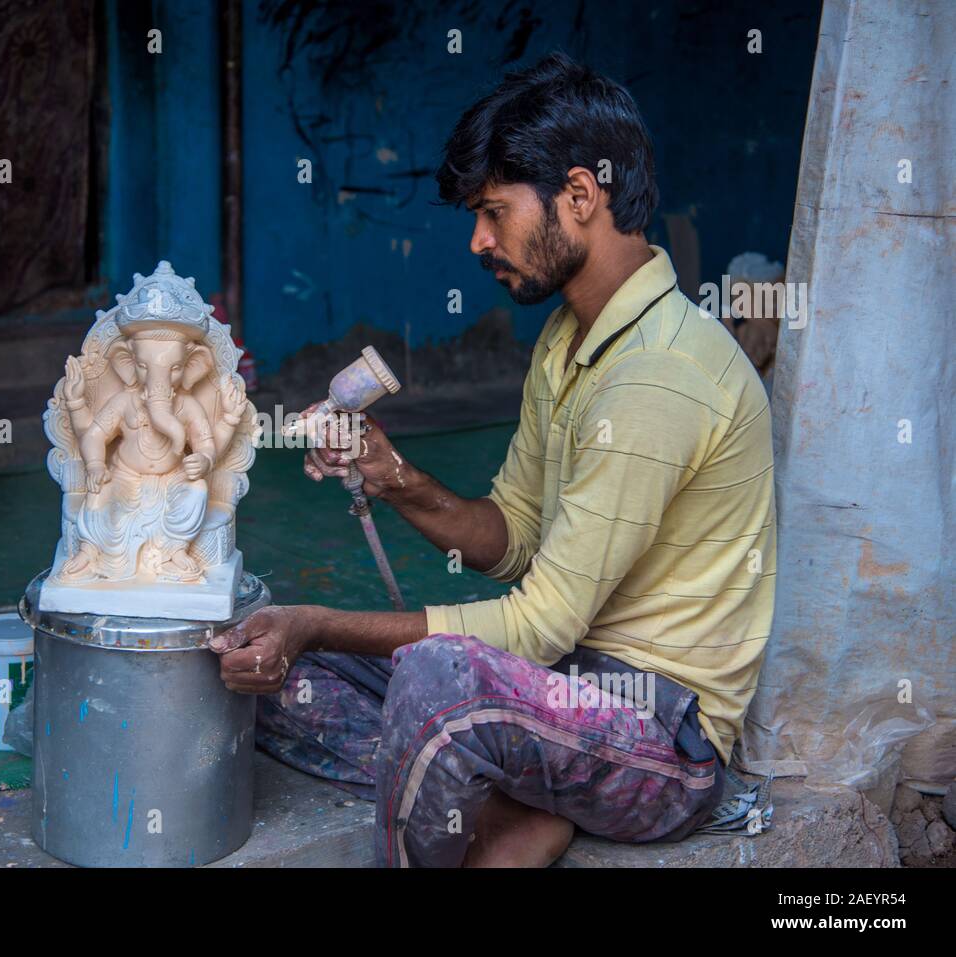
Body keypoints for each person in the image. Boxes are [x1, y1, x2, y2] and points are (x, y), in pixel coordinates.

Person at [210, 52, 776, 868]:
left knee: (436, 678)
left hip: (654, 735)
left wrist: (318, 619)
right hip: (556, 696)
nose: (479, 241)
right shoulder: (569, 339)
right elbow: (511, 535)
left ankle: (503, 792)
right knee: (272, 674)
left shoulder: (663, 374)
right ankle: (513, 794)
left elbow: (538, 625)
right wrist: (390, 472)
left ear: (581, 195)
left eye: (493, 212)